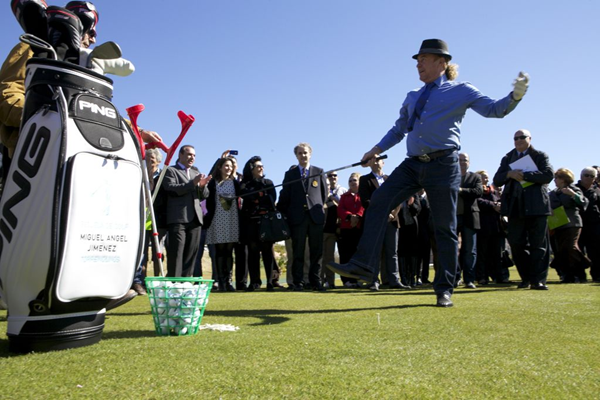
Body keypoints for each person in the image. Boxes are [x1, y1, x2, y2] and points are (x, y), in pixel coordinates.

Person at [328, 39, 528, 307]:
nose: (418, 63)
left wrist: (515, 96)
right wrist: (375, 149)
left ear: (442, 62)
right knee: (378, 200)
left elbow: (495, 110)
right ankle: (364, 265)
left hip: (443, 164)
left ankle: (444, 288)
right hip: (412, 164)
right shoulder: (412, 96)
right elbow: (399, 129)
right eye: (417, 59)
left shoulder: (461, 90)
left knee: (445, 227)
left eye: (423, 58)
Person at [493, 129, 553, 290]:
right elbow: (497, 180)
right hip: (515, 207)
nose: (518, 140)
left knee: (538, 245)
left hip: (536, 206)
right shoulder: (507, 157)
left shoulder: (540, 155)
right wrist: (509, 174)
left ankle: (538, 280)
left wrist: (525, 175)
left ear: (530, 138)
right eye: (515, 138)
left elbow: (547, 175)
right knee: (516, 243)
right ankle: (526, 278)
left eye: (522, 137)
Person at [277, 143, 327, 291]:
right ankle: (297, 282)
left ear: (310, 154)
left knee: (316, 252)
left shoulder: (319, 171)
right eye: (300, 153)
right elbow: (285, 197)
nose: (303, 155)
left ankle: (315, 281)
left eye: (305, 153)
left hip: (315, 217)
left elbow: (323, 196)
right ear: (296, 156)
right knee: (298, 251)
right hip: (297, 218)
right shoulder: (290, 174)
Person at [163, 145, 211, 277]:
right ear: (180, 155)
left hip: (195, 219)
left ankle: (185, 283)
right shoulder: (170, 171)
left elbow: (205, 195)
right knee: (176, 253)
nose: (192, 158)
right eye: (189, 154)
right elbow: (171, 188)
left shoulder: (196, 172)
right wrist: (193, 183)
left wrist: (202, 186)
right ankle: (174, 283)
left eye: (194, 155)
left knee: (191, 254)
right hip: (178, 218)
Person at [358, 156, 404, 290]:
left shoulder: (391, 179)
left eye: (379, 160)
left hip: (392, 220)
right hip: (376, 221)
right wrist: (383, 213)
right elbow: (365, 201)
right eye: (374, 160)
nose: (376, 162)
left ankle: (393, 280)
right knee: (375, 251)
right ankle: (373, 281)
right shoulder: (365, 180)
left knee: (392, 251)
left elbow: (398, 198)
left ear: (383, 163)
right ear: (369, 163)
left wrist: (392, 213)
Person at [240, 156, 277, 291]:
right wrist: (260, 197)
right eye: (258, 166)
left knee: (268, 252)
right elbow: (246, 195)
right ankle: (255, 282)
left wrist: (258, 198)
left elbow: (271, 199)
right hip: (251, 222)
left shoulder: (268, 182)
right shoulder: (245, 184)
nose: (261, 168)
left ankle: (270, 281)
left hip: (266, 222)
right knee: (253, 252)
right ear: (252, 169)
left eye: (262, 166)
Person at [205, 157, 241, 291]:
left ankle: (228, 280)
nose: (229, 168)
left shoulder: (235, 183)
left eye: (231, 166)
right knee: (219, 252)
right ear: (219, 167)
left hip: (232, 220)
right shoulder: (213, 183)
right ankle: (220, 281)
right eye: (226, 166)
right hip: (217, 220)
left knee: (228, 251)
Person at [549, 168, 591, 283]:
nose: (555, 180)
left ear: (563, 179)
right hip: (558, 224)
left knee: (570, 247)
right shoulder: (553, 193)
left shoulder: (573, 189)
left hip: (572, 223)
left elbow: (584, 202)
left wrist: (573, 195)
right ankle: (570, 275)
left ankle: (584, 264)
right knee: (562, 251)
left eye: (557, 178)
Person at [475, 170, 509, 284]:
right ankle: (482, 277)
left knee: (497, 253)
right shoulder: (477, 190)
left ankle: (499, 276)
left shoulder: (493, 191)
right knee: (482, 253)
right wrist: (492, 205)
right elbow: (477, 202)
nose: (486, 179)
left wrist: (499, 204)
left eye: (487, 177)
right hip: (482, 226)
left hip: (496, 227)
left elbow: (499, 201)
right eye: (484, 177)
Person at [456, 153, 482, 289]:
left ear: (469, 163)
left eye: (464, 160)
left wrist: (461, 190)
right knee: (453, 250)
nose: (462, 162)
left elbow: (478, 191)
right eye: (459, 160)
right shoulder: (450, 177)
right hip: (453, 217)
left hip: (470, 217)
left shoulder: (475, 177)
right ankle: (455, 278)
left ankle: (469, 279)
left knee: (470, 250)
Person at [337, 173, 364, 288]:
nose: (352, 182)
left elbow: (364, 206)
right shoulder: (344, 196)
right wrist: (350, 217)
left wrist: (357, 216)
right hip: (346, 229)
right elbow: (340, 209)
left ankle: (358, 279)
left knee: (358, 255)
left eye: (354, 180)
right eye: (350, 181)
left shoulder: (363, 194)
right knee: (345, 255)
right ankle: (347, 280)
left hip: (360, 229)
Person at [321, 171, 346, 288]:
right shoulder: (319, 196)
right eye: (330, 176)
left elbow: (342, 209)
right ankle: (319, 281)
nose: (332, 178)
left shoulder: (339, 194)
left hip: (332, 231)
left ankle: (331, 282)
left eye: (334, 175)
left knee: (330, 258)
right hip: (320, 231)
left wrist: (333, 198)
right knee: (319, 258)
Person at [576, 167, 600, 282]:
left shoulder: (597, 191)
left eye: (592, 176)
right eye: (586, 175)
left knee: (595, 252)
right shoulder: (574, 189)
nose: (589, 178)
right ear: (581, 176)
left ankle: (597, 275)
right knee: (578, 251)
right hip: (578, 225)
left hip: (594, 225)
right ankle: (580, 275)